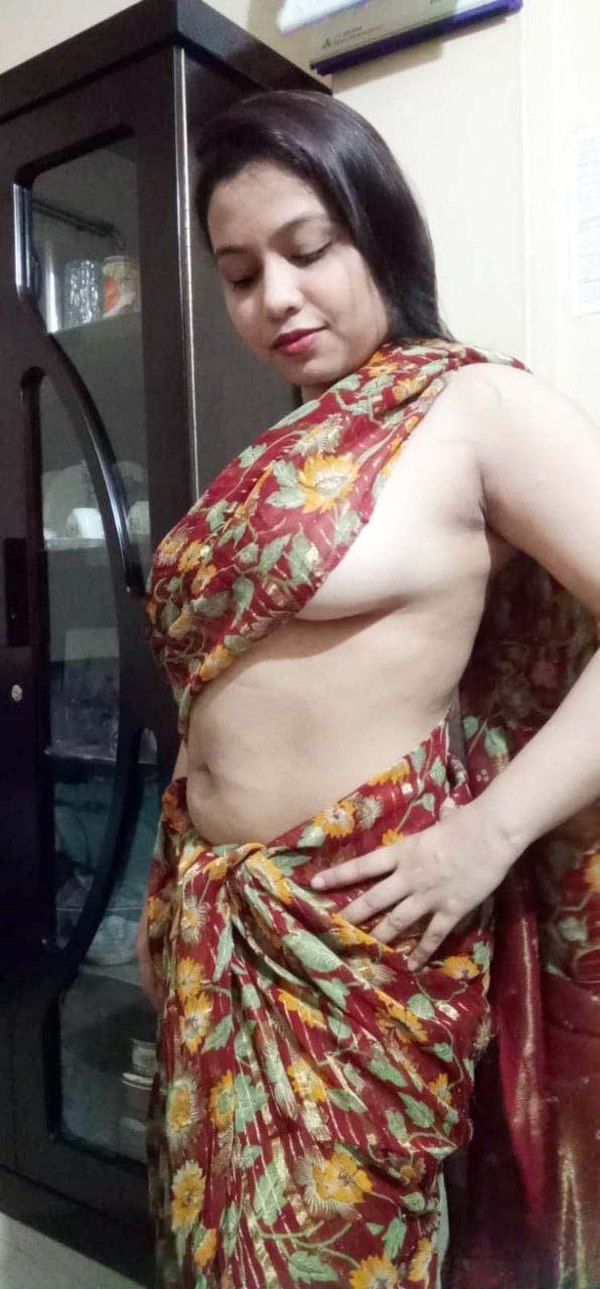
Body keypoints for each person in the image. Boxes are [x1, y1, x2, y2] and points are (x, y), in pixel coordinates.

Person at [136, 90, 600, 1289]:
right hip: (215, 926)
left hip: (351, 943)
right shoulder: (278, 452)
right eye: (241, 274)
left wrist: (487, 834)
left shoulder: (473, 408)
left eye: (310, 249)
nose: (276, 299)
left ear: (380, 230)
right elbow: (221, 674)